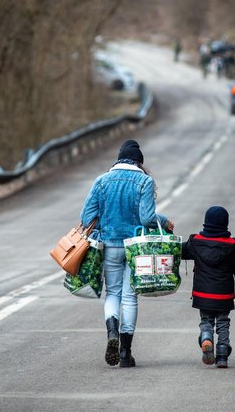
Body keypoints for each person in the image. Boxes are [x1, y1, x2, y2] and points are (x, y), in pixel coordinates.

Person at [80, 139, 175, 368]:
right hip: (137, 248)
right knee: (130, 296)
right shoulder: (144, 181)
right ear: (139, 162)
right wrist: (164, 221)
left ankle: (111, 331)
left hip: (110, 245)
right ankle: (125, 353)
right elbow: (148, 219)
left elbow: (86, 219)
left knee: (112, 293)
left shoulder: (101, 181)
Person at [181, 206, 235, 368]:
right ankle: (222, 355)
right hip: (224, 295)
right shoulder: (232, 246)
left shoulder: (195, 242)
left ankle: (206, 337)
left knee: (206, 320)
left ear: (206, 222)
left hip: (202, 294)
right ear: (225, 224)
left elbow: (178, 251)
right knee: (223, 322)